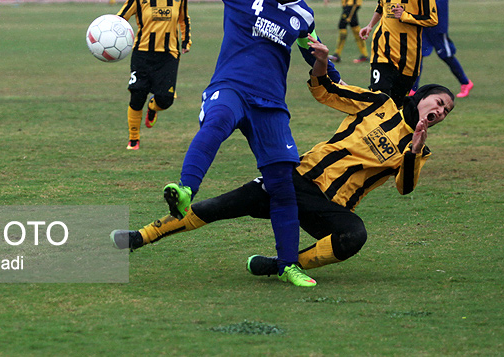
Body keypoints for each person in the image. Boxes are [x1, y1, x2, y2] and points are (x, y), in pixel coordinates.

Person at [111, 37, 455, 280]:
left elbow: (405, 188)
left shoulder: (419, 149)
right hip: (297, 179)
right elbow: (326, 91)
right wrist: (321, 62)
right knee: (219, 207)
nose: (440, 111)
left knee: (354, 235)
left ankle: (283, 265)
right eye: (439, 102)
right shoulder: (381, 104)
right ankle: (140, 236)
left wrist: (413, 150)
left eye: (446, 111)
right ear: (422, 96)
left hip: (330, 207)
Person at [112, 0, 342, 287]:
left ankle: (287, 265)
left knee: (282, 183)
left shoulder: (303, 16)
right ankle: (186, 190)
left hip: (270, 104)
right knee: (217, 122)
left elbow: (315, 58)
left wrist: (326, 63)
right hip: (231, 87)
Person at [117, 0, 191, 150]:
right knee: (137, 96)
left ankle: (152, 107)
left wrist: (186, 40)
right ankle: (134, 139)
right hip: (142, 53)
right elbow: (120, 19)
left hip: (169, 55)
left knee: (165, 100)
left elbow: (183, 19)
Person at [359, 0, 438, 104]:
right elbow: (381, 7)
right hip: (383, 51)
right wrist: (370, 25)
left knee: (396, 105)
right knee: (379, 99)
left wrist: (405, 16)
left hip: (408, 57)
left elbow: (432, 19)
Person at [413, 0, 473, 98]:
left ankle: (465, 82)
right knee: (418, 54)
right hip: (424, 23)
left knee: (446, 54)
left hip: (436, 23)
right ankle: (413, 89)